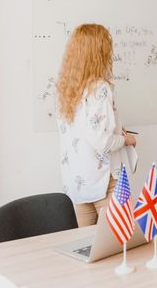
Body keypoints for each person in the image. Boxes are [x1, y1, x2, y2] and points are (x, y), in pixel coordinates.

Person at [55, 24, 136, 226]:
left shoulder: (66, 89)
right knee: (120, 241)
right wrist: (126, 139)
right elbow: (102, 141)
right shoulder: (100, 88)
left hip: (78, 180)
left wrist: (117, 130)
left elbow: (84, 131)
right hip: (104, 180)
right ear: (99, 53)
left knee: (88, 246)